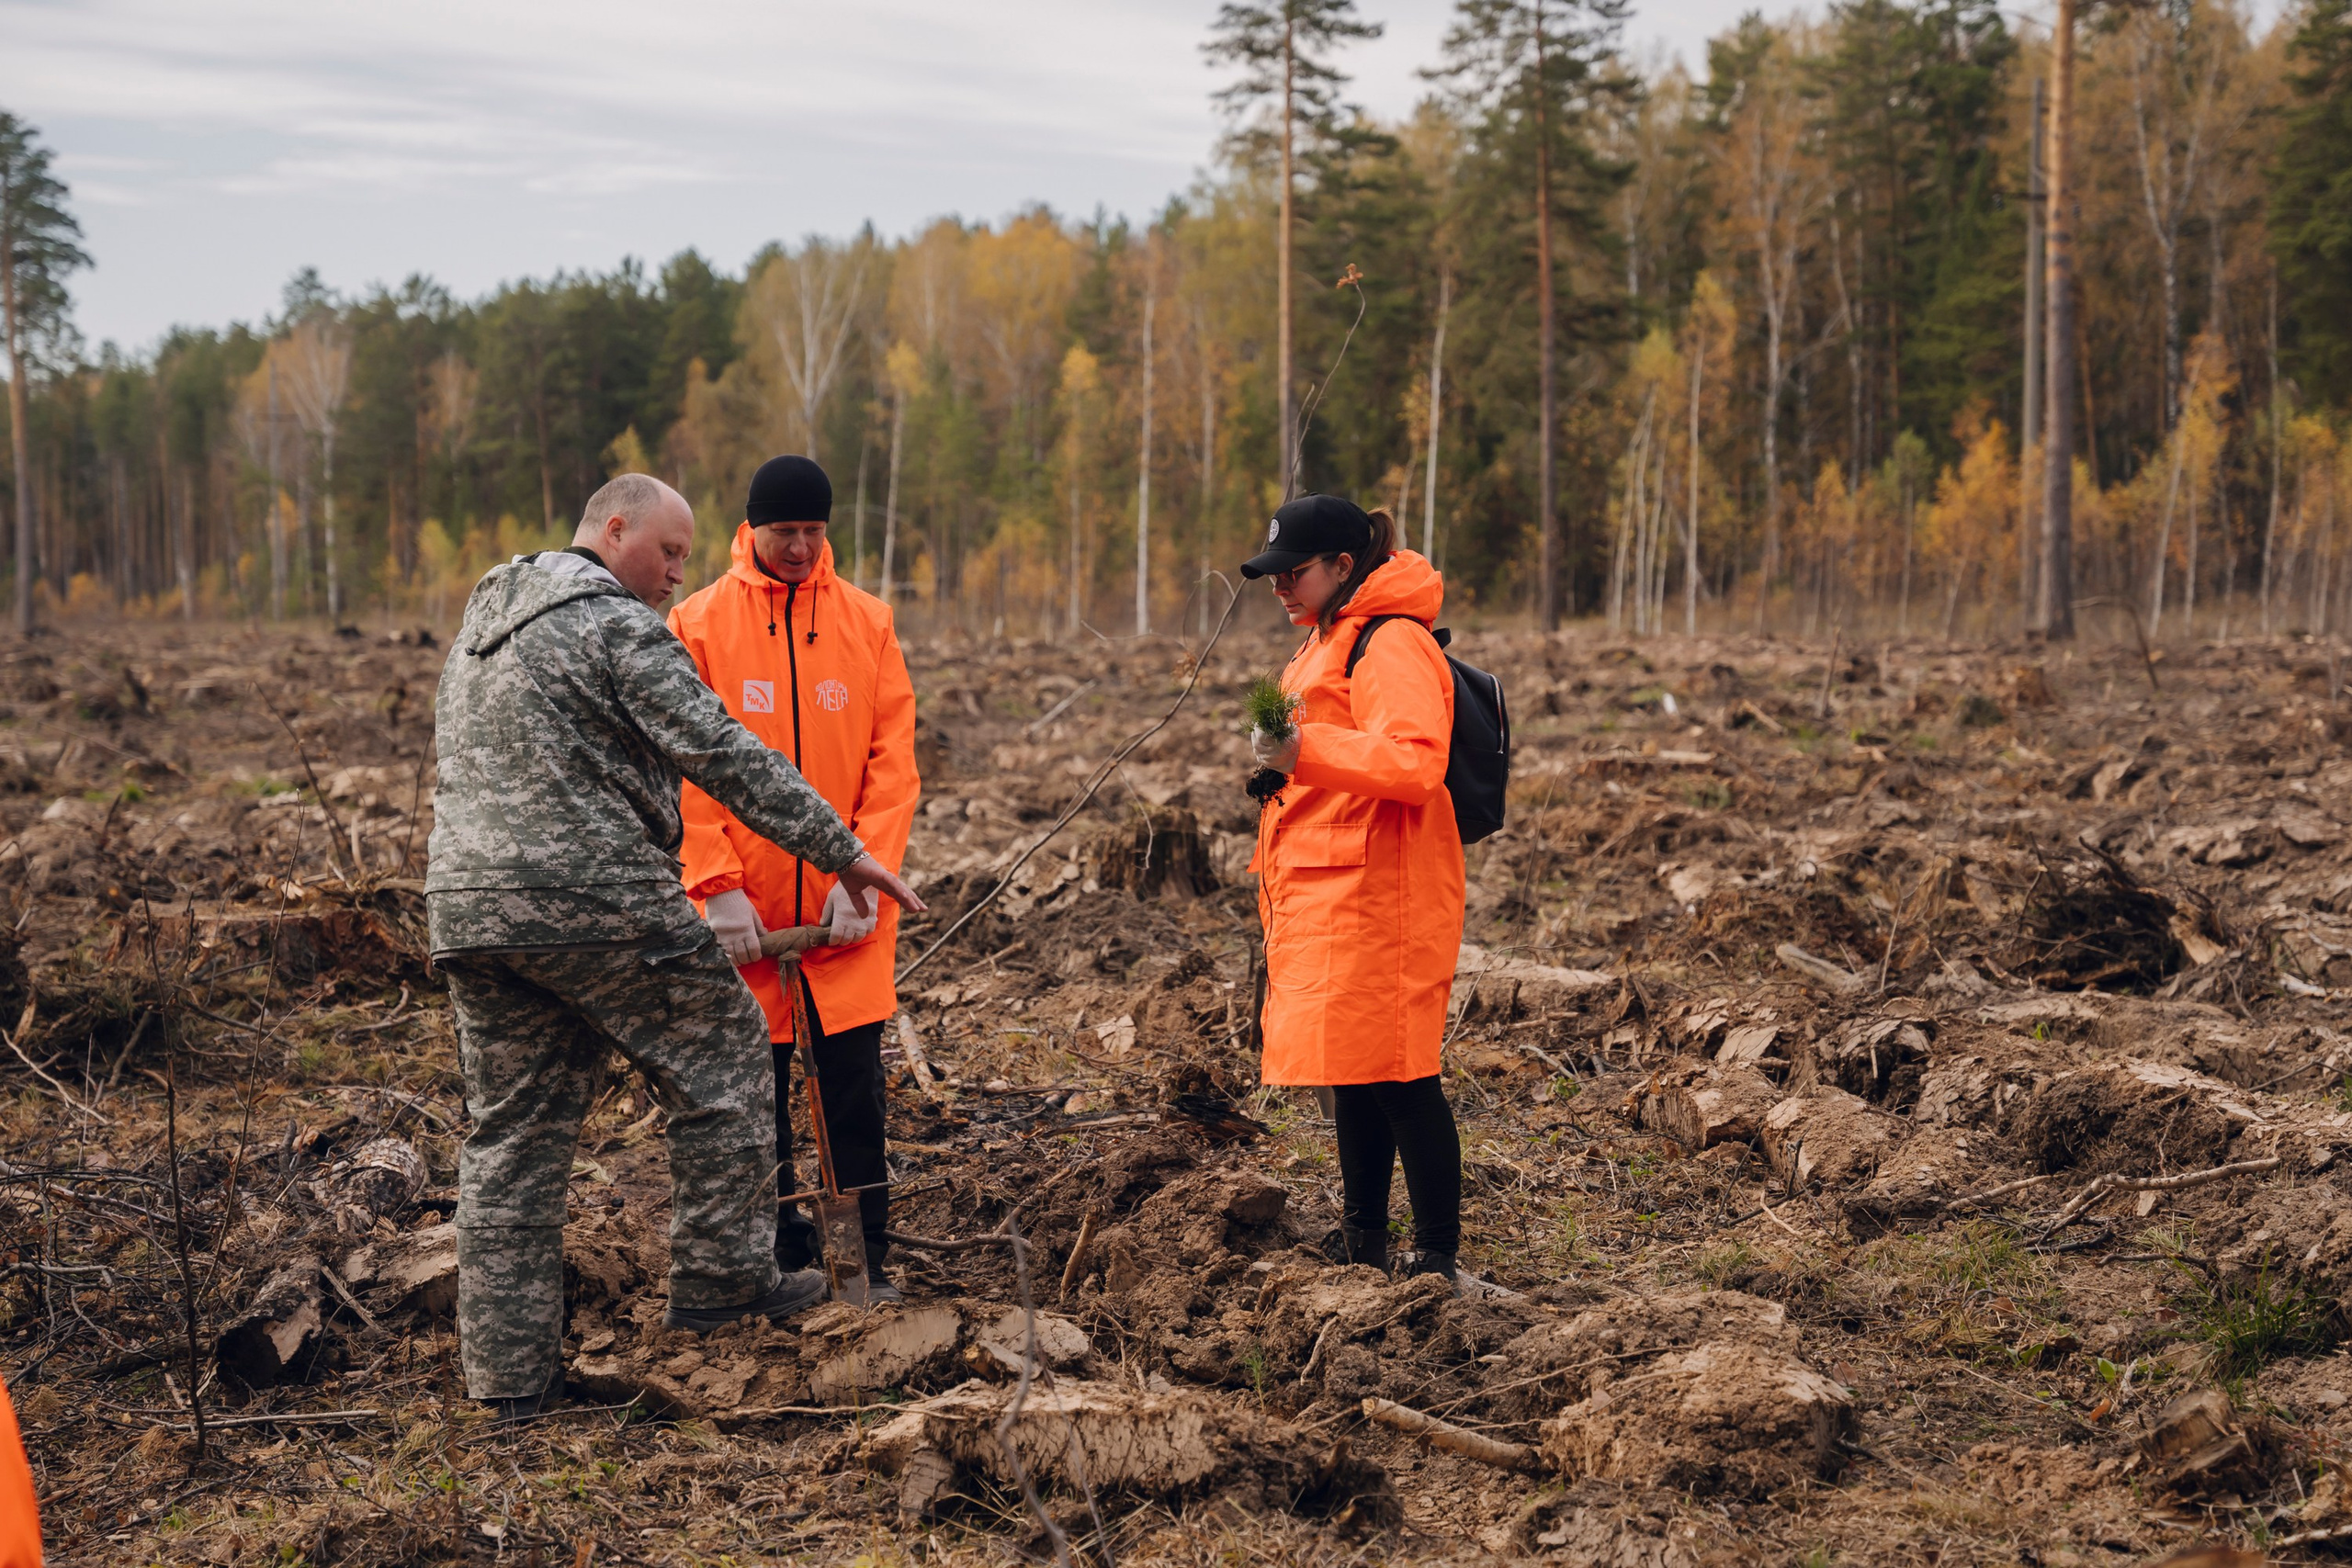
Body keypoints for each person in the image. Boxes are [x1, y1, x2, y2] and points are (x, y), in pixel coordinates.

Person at [426, 472, 924, 1421]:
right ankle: (722, 1283)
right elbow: (718, 749)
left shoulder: (484, 622)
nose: (670, 578)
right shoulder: (615, 624)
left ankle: (508, 1381)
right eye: (666, 555)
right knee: (730, 1049)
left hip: (468, 911)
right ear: (614, 531)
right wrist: (844, 852)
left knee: (512, 1140)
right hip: (591, 896)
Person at [667, 456, 920, 1300]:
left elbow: (892, 768)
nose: (804, 548)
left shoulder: (869, 623)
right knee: (757, 1100)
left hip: (844, 913)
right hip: (747, 918)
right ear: (752, 528)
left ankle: (861, 1266)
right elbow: (685, 768)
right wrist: (714, 881)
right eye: (787, 533)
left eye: (815, 532)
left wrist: (862, 877)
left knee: (852, 1093)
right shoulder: (696, 623)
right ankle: (776, 1262)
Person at [1241, 492, 1466, 1282]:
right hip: (1338, 888)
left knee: (1402, 1076)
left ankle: (1437, 1257)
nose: (1278, 589)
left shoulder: (1391, 641)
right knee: (1356, 1073)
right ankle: (1363, 1242)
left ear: (1343, 566)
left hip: (1386, 892)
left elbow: (1413, 763)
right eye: (1271, 576)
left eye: (1290, 573)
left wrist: (1301, 749)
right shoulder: (1326, 639)